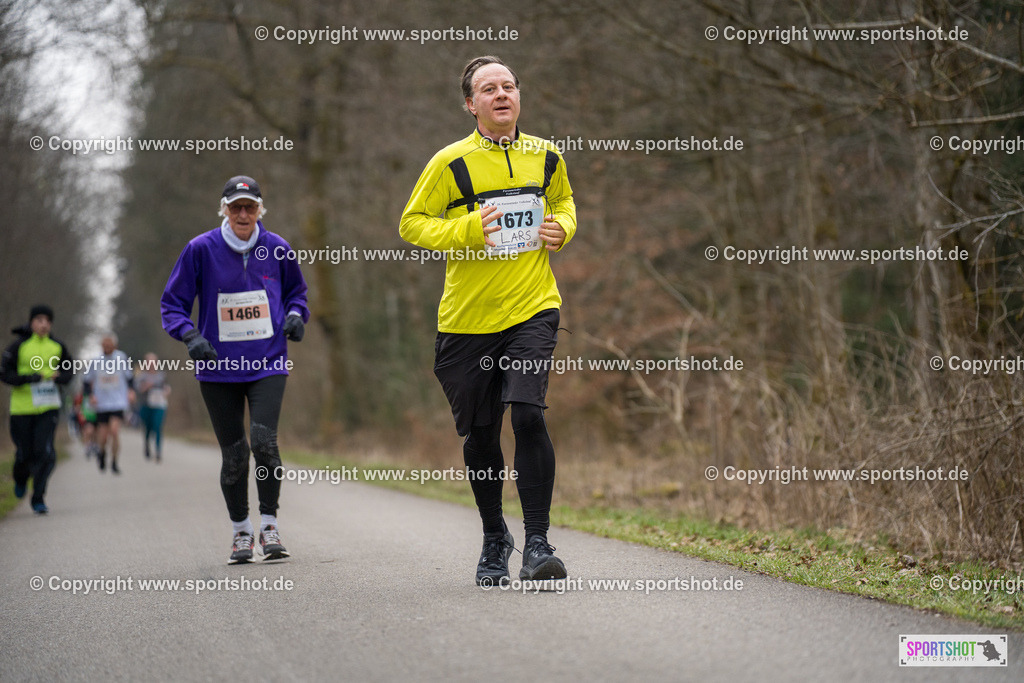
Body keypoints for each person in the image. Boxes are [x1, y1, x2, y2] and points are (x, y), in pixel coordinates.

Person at [399, 56, 578, 585]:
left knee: (527, 413)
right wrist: (469, 229)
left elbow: (564, 202)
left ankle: (538, 542)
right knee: (480, 438)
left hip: (532, 307)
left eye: (509, 86)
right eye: (488, 89)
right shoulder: (449, 162)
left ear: (519, 96)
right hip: (467, 320)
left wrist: (562, 229)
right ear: (470, 104)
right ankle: (495, 535)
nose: (501, 95)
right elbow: (412, 224)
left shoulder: (547, 155)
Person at [161, 175, 309, 564]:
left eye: (250, 206)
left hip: (268, 362)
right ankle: (241, 531)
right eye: (235, 207)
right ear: (223, 209)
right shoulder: (200, 250)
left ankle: (270, 525)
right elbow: (172, 305)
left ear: (261, 209)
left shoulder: (277, 249)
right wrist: (191, 336)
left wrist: (295, 315)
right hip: (218, 368)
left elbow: (298, 293)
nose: (243, 213)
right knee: (235, 456)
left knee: (264, 443)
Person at [0, 305, 74, 514]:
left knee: (45, 452)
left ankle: (38, 497)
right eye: (39, 320)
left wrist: (62, 377)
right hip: (22, 409)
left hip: (48, 407)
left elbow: (70, 371)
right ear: (31, 322)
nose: (43, 324)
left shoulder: (58, 346)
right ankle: (20, 479)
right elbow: (5, 374)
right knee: (25, 454)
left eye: (47, 321)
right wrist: (30, 378)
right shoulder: (18, 346)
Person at [82, 333, 134, 474]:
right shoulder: (95, 360)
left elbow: (130, 377)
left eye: (109, 345)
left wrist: (131, 391)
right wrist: (91, 396)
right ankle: (102, 453)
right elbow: (86, 382)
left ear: (114, 345)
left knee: (115, 431)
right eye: (104, 345)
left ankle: (115, 462)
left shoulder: (121, 357)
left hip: (118, 402)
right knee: (103, 436)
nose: (107, 347)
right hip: (102, 403)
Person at [136, 352, 170, 462]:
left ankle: (158, 451)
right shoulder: (141, 376)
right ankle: (146, 445)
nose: (151, 364)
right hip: (146, 405)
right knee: (148, 428)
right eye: (149, 362)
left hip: (159, 405)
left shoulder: (161, 375)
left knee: (157, 426)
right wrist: (147, 386)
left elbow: (167, 387)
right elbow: (138, 390)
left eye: (153, 362)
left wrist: (167, 391)